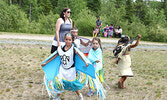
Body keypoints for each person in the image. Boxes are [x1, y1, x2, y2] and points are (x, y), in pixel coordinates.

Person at [42, 33, 90, 100]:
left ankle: (79, 95)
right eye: (66, 39)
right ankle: (57, 96)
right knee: (60, 82)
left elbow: (80, 55)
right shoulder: (60, 48)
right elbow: (54, 56)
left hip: (71, 70)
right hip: (62, 69)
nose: (68, 41)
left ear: (72, 40)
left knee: (72, 83)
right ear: (64, 39)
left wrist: (85, 62)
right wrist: (46, 62)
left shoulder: (73, 49)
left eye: (69, 40)